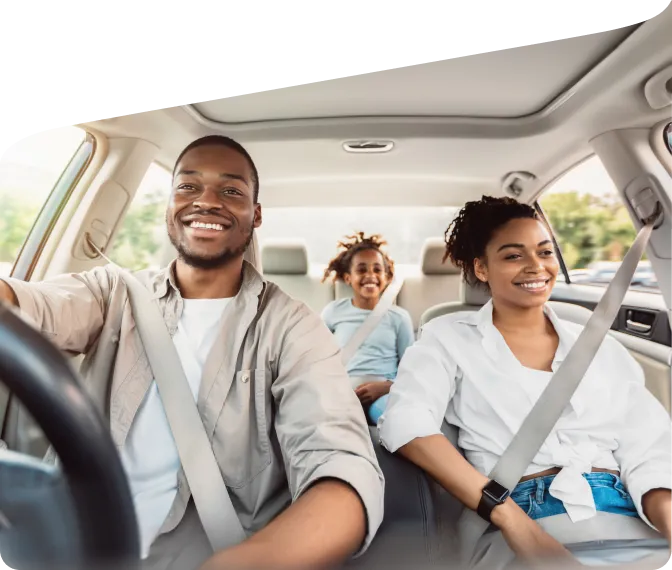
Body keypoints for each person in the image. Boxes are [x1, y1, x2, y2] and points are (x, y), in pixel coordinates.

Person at [0, 135, 385, 570]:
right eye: (187, 186)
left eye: (231, 191)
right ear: (168, 205)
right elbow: (26, 305)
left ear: (255, 215)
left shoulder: (291, 326)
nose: (206, 201)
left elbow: (340, 467)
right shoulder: (113, 292)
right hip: (72, 541)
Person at [377, 196, 672, 565]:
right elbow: (407, 423)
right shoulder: (446, 337)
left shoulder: (601, 346)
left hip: (632, 519)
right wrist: (512, 521)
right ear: (481, 268)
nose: (537, 267)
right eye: (514, 256)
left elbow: (649, 449)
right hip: (522, 516)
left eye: (545, 252)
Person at [321, 232, 415, 425]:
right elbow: (317, 360)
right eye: (361, 270)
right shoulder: (332, 312)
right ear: (348, 278)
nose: (370, 275)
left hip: (383, 392)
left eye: (377, 269)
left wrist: (387, 388)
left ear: (387, 278)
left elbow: (411, 371)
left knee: (394, 418)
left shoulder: (398, 317)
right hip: (342, 392)